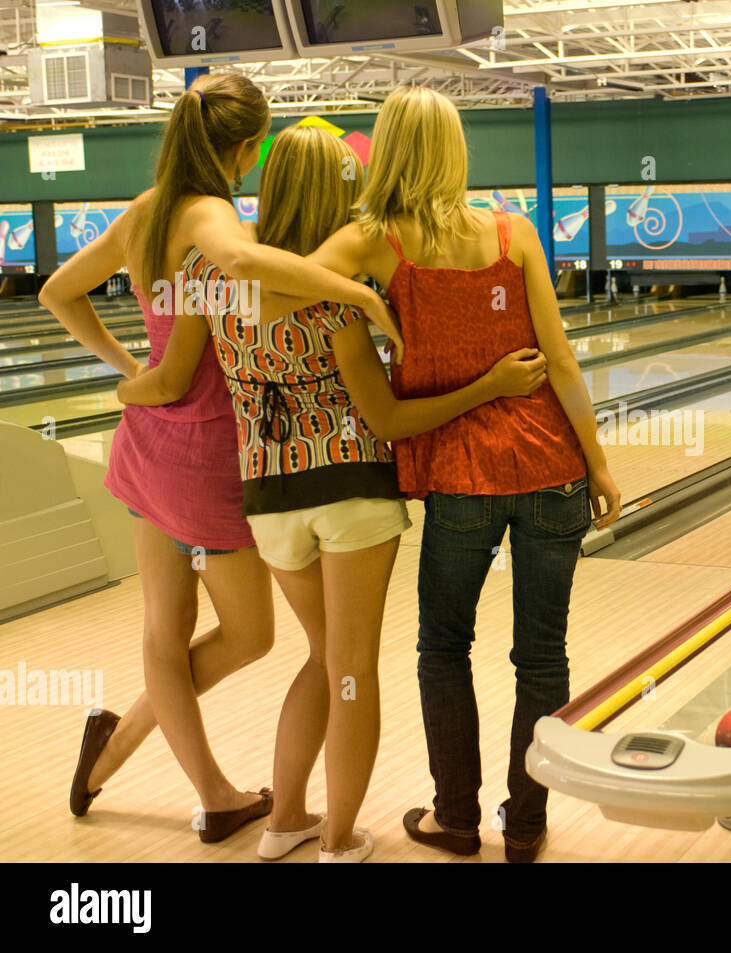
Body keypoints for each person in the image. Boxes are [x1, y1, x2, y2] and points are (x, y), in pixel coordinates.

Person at [119, 124, 548, 862]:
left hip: (268, 501)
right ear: (341, 194)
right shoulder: (339, 297)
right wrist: (488, 387)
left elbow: (171, 377)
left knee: (321, 658)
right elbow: (385, 417)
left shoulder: (209, 277)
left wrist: (123, 386)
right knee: (350, 670)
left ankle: (285, 819)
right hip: (350, 492)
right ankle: (340, 837)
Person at [38, 72, 401, 844]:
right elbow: (244, 271)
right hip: (209, 457)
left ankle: (190, 783)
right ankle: (155, 763)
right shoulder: (207, 211)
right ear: (242, 148)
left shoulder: (145, 208)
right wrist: (363, 295)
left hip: (146, 455)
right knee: (254, 636)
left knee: (163, 634)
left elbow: (58, 292)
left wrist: (124, 370)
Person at [308, 84, 621, 862]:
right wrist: (599, 459)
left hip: (462, 479)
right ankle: (526, 823)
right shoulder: (514, 235)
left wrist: (361, 297)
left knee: (443, 647)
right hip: (551, 468)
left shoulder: (373, 241)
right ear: (455, 152)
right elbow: (562, 360)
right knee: (542, 655)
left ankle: (456, 818)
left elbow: (278, 284)